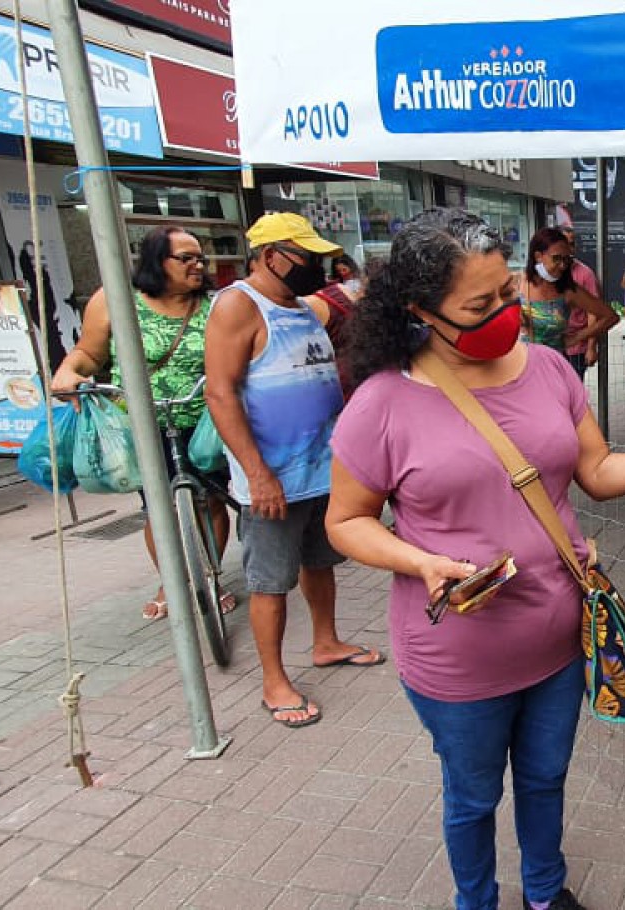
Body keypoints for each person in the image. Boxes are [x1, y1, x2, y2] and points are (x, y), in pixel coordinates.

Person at [325, 208, 625, 910]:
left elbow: (598, 472)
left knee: (546, 777)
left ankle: (544, 893)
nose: (504, 316)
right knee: (473, 796)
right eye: (480, 306)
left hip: (557, 636)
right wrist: (415, 559)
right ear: (421, 311)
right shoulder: (382, 403)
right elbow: (346, 521)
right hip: (457, 652)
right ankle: (475, 901)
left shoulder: (548, 369)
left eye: (509, 295)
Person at [204, 213, 385, 730]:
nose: (315, 267)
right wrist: (257, 473)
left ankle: (325, 642)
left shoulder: (304, 305)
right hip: (274, 475)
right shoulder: (239, 305)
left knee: (318, 562)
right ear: (270, 256)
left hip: (322, 469)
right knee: (270, 581)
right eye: (305, 257)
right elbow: (220, 392)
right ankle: (273, 679)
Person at [49, 227, 229, 621]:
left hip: (206, 424)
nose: (197, 265)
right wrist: (67, 373)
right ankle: (172, 582)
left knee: (212, 500)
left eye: (200, 257)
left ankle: (213, 575)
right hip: (141, 425)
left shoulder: (216, 305)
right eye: (186, 258)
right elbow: (86, 354)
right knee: (157, 507)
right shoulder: (114, 301)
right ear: (155, 261)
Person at [521, 227, 617, 377]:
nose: (563, 265)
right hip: (519, 369)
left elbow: (610, 316)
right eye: (556, 258)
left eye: (566, 259)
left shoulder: (568, 290)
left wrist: (577, 338)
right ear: (538, 256)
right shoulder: (517, 283)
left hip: (554, 369)